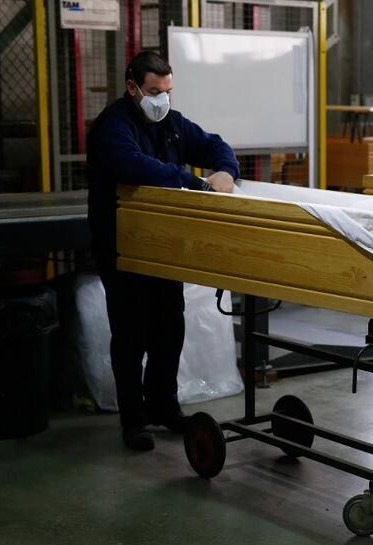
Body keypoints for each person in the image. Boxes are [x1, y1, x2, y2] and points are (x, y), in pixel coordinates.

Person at [87, 51, 239, 451]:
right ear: (132, 88)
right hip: (121, 244)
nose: (162, 100)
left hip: (163, 245)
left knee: (169, 326)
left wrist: (225, 171)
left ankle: (163, 408)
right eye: (154, 91)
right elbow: (136, 167)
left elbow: (214, 145)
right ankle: (133, 420)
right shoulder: (112, 126)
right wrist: (191, 181)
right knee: (131, 331)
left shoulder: (171, 123)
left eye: (167, 91)